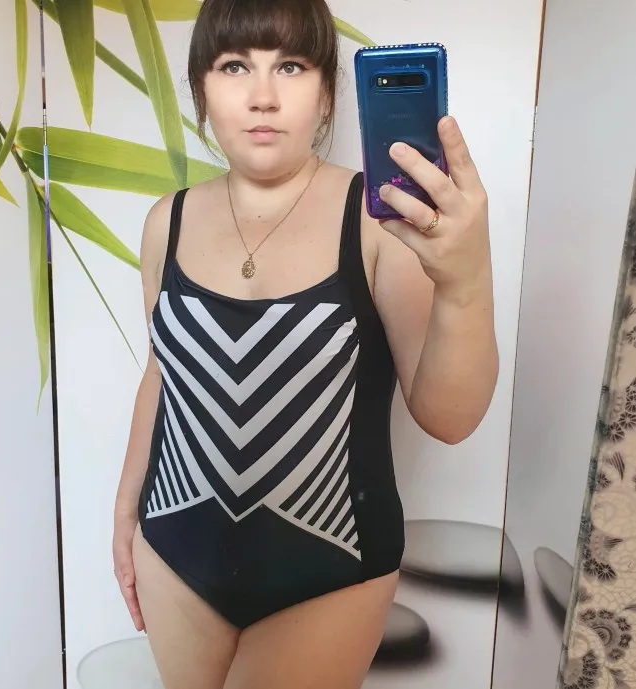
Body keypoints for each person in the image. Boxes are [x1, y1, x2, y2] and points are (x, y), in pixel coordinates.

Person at [112, 0, 498, 686]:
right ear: (201, 88)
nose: (262, 95)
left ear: (325, 94)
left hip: (330, 568)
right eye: (235, 66)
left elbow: (449, 417)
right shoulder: (165, 221)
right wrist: (125, 511)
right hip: (172, 553)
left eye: (290, 66)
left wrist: (465, 281)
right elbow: (162, 373)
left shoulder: (381, 221)